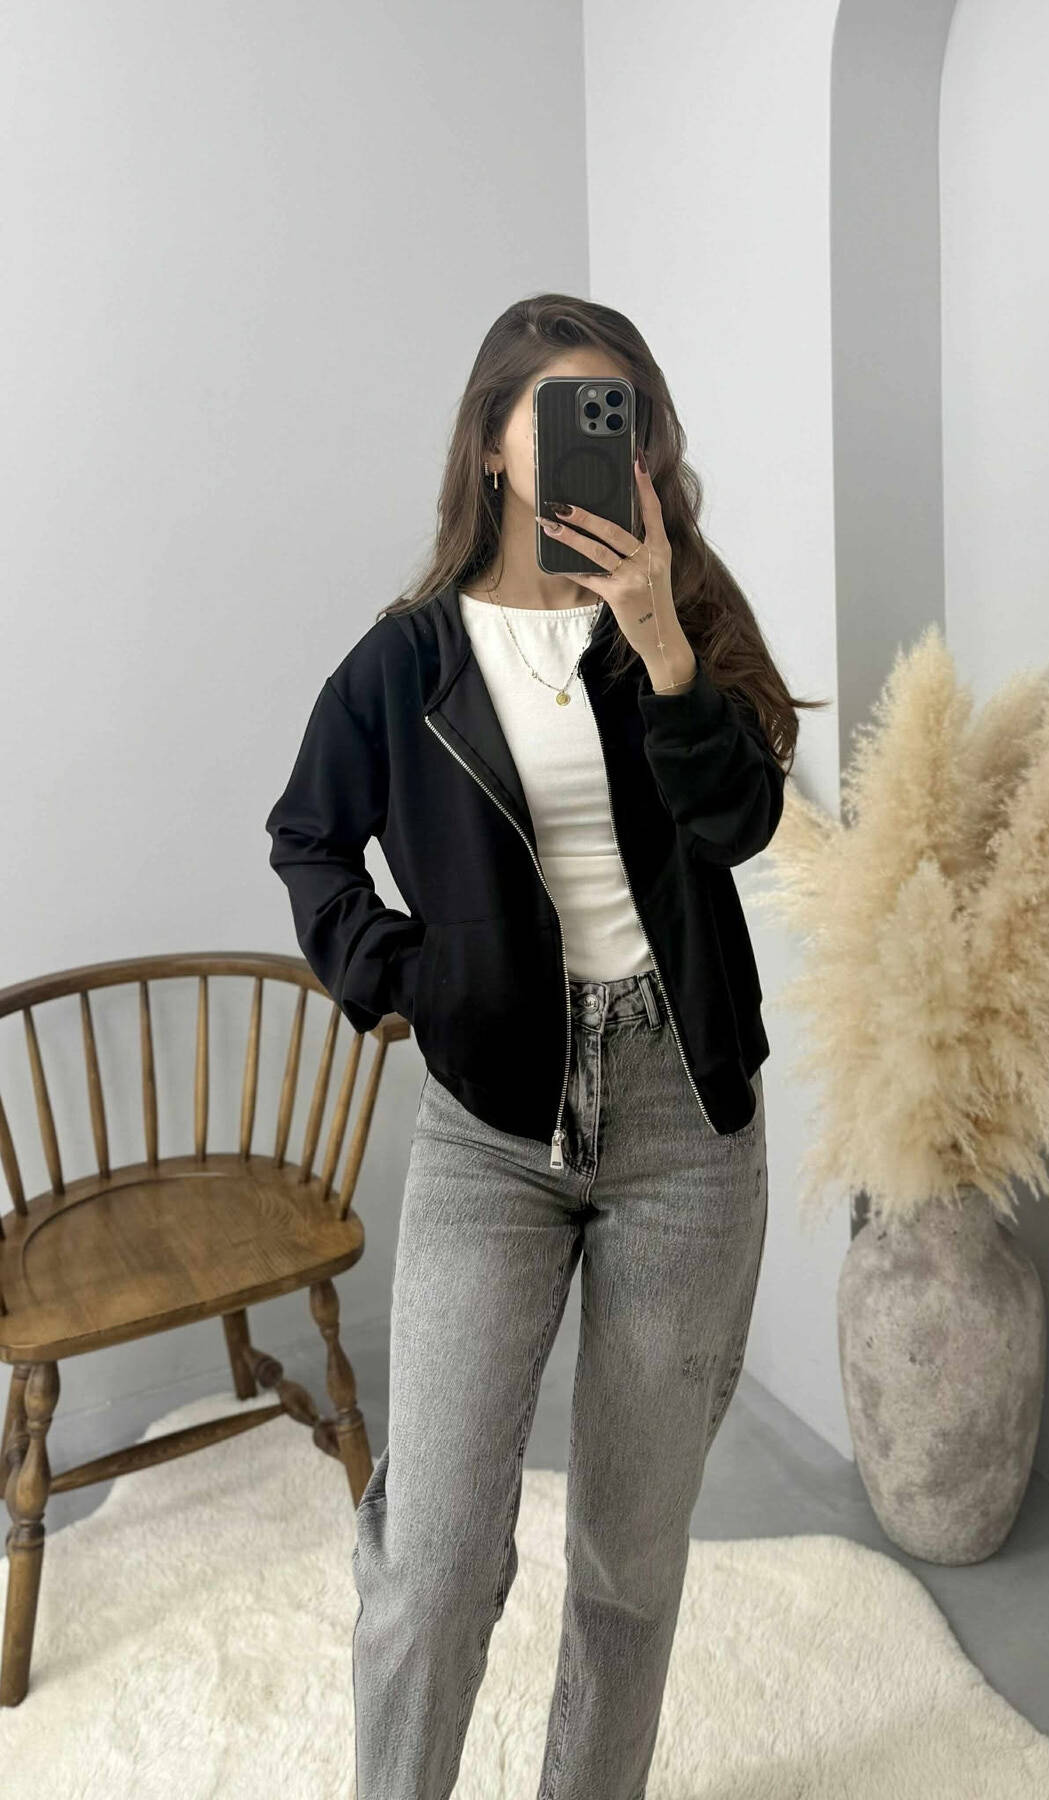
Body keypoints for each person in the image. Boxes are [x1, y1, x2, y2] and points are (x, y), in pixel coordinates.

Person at [265, 293, 814, 1800]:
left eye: (619, 414)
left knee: (631, 1564)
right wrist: (411, 980)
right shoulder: (405, 660)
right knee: (434, 1562)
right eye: (565, 410)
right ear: (497, 445)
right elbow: (309, 839)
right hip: (490, 1130)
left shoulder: (676, 617)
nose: (598, 441)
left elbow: (743, 824)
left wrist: (664, 645)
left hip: (685, 1124)